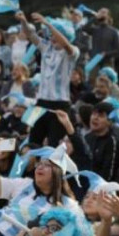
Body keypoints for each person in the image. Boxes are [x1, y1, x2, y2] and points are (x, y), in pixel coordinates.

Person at [16, 11, 79, 147]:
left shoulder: (72, 51)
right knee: (33, 141)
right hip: (41, 103)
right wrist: (23, 21)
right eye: (50, 35)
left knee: (54, 144)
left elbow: (66, 44)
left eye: (55, 35)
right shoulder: (46, 47)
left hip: (60, 104)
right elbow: (30, 34)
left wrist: (48, 24)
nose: (52, 37)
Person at [82, 102, 119, 182]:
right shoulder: (87, 138)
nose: (95, 118)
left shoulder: (111, 141)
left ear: (109, 122)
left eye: (101, 116)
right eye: (93, 114)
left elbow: (108, 173)